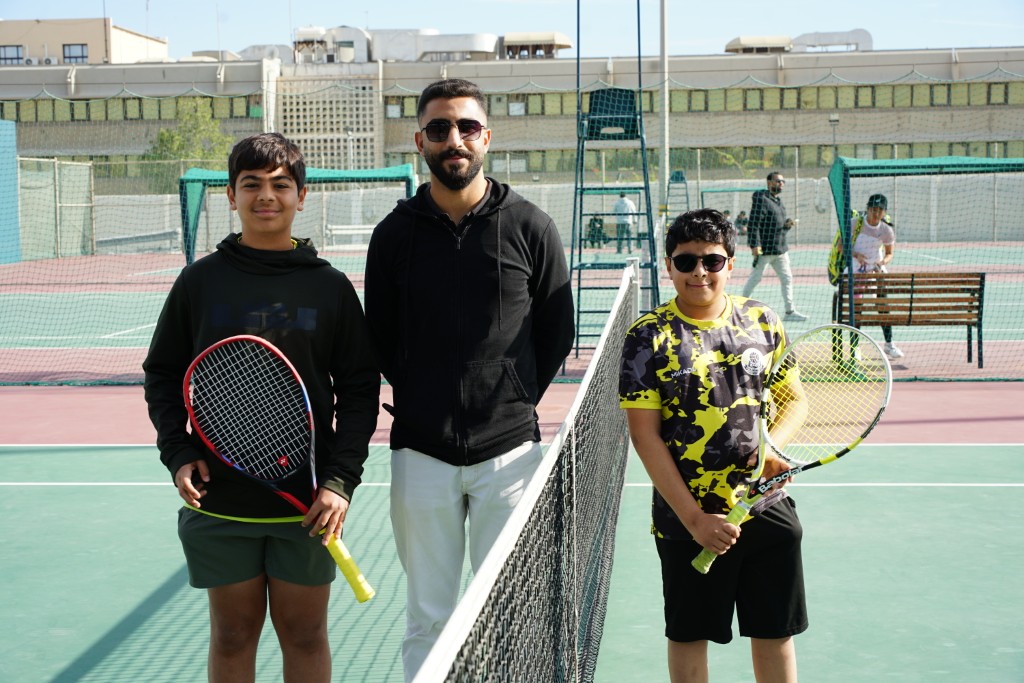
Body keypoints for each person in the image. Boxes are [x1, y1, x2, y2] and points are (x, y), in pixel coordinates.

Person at [143, 133, 380, 683]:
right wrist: (177, 451)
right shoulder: (199, 281)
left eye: (280, 184)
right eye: (251, 184)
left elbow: (359, 388)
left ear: (301, 196)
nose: (266, 196)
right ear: (231, 195)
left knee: (304, 635)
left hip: (308, 505)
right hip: (221, 501)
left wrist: (340, 480)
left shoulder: (330, 287)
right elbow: (163, 373)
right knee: (231, 636)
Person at [364, 78, 575, 682]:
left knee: (511, 615)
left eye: (466, 127)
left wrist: (510, 399)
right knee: (428, 618)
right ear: (419, 142)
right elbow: (380, 335)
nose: (453, 139)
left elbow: (556, 330)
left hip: (508, 455)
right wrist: (423, 395)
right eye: (439, 128)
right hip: (420, 451)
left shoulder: (531, 226)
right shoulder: (394, 234)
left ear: (487, 137)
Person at [620, 208, 807, 683]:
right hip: (688, 520)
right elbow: (644, 435)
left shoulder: (763, 321)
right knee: (689, 635)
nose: (699, 272)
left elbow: (795, 400)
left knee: (775, 632)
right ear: (669, 266)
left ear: (731, 262)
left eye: (712, 260)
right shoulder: (647, 337)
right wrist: (696, 520)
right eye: (686, 261)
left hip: (764, 508)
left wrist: (773, 449)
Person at [829, 193, 904, 360]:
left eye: (879, 210)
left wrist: (881, 263)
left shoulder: (886, 230)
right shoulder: (854, 223)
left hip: (875, 271)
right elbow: (841, 246)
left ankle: (889, 344)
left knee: (883, 305)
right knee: (857, 308)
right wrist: (856, 255)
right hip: (855, 271)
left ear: (884, 212)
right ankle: (855, 347)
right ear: (867, 209)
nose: (875, 213)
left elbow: (889, 253)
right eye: (873, 209)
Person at [741, 172, 808, 322]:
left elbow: (777, 226)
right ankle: (740, 307)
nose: (781, 184)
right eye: (778, 181)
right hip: (765, 250)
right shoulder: (761, 199)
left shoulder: (778, 202)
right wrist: (755, 245)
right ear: (769, 182)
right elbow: (754, 224)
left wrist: (787, 225)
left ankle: (790, 312)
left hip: (780, 249)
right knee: (755, 278)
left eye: (783, 181)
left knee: (787, 278)